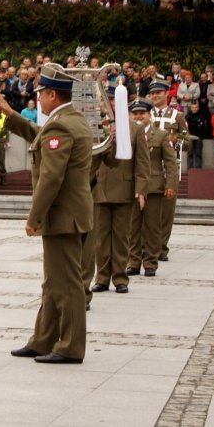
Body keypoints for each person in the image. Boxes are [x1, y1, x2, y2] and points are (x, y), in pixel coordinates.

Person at [0, 64, 93, 364]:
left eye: (41, 93)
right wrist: (12, 116)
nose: (37, 98)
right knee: (53, 283)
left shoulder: (60, 126)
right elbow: (41, 138)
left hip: (62, 217)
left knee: (67, 285)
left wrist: (33, 219)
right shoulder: (70, 120)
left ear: (52, 94)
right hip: (69, 215)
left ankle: (70, 347)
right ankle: (43, 340)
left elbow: (51, 177)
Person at [88, 107, 149, 296]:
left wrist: (141, 189)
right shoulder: (96, 125)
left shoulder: (135, 129)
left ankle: (120, 278)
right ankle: (102, 278)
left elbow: (142, 161)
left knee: (122, 237)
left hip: (124, 188)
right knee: (100, 238)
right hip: (100, 187)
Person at [126, 98, 178, 277]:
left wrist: (171, 185)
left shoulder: (161, 135)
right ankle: (133, 262)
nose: (138, 116)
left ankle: (150, 263)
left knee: (152, 227)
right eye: (135, 114)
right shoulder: (127, 135)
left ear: (150, 115)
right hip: (132, 186)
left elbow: (170, 162)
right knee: (132, 227)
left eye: (142, 113)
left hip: (154, 187)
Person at [149, 77, 188, 262]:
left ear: (166, 94)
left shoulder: (177, 116)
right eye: (152, 93)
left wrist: (176, 140)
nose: (155, 96)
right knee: (146, 211)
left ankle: (161, 247)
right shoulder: (144, 113)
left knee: (166, 211)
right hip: (148, 167)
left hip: (170, 169)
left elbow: (188, 142)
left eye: (158, 93)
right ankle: (145, 247)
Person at [185, 102, 208, 168]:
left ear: (198, 108)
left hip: (199, 137)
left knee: (198, 154)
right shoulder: (187, 117)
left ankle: (198, 169)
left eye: (195, 107)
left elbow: (202, 127)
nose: (194, 109)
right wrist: (196, 125)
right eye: (193, 107)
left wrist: (195, 126)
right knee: (190, 153)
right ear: (191, 108)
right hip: (190, 137)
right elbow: (186, 127)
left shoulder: (201, 116)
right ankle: (190, 168)